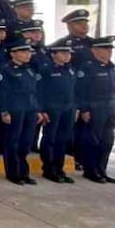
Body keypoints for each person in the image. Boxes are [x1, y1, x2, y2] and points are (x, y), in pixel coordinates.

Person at [0, 39, 43, 185]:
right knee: (12, 142)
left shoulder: (29, 70)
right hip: (14, 108)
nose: (27, 55)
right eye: (23, 51)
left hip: (30, 109)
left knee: (26, 142)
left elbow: (34, 92)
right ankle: (13, 173)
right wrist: (4, 111)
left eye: (28, 52)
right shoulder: (6, 70)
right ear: (13, 54)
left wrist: (38, 110)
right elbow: (1, 93)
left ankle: (24, 172)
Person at [76, 37, 115, 184]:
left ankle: (102, 170)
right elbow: (80, 91)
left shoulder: (112, 67)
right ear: (94, 50)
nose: (109, 52)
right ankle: (90, 170)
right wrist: (84, 109)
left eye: (110, 49)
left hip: (109, 109)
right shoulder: (87, 68)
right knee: (92, 141)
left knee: (107, 141)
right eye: (105, 49)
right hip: (94, 108)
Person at [38, 42, 77, 183]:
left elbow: (74, 91)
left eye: (69, 53)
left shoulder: (71, 70)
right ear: (53, 54)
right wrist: (41, 110)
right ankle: (49, 169)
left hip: (68, 109)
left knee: (63, 140)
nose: (67, 56)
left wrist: (75, 107)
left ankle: (59, 169)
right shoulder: (46, 70)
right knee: (50, 139)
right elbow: (40, 91)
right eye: (63, 53)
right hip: (52, 108)